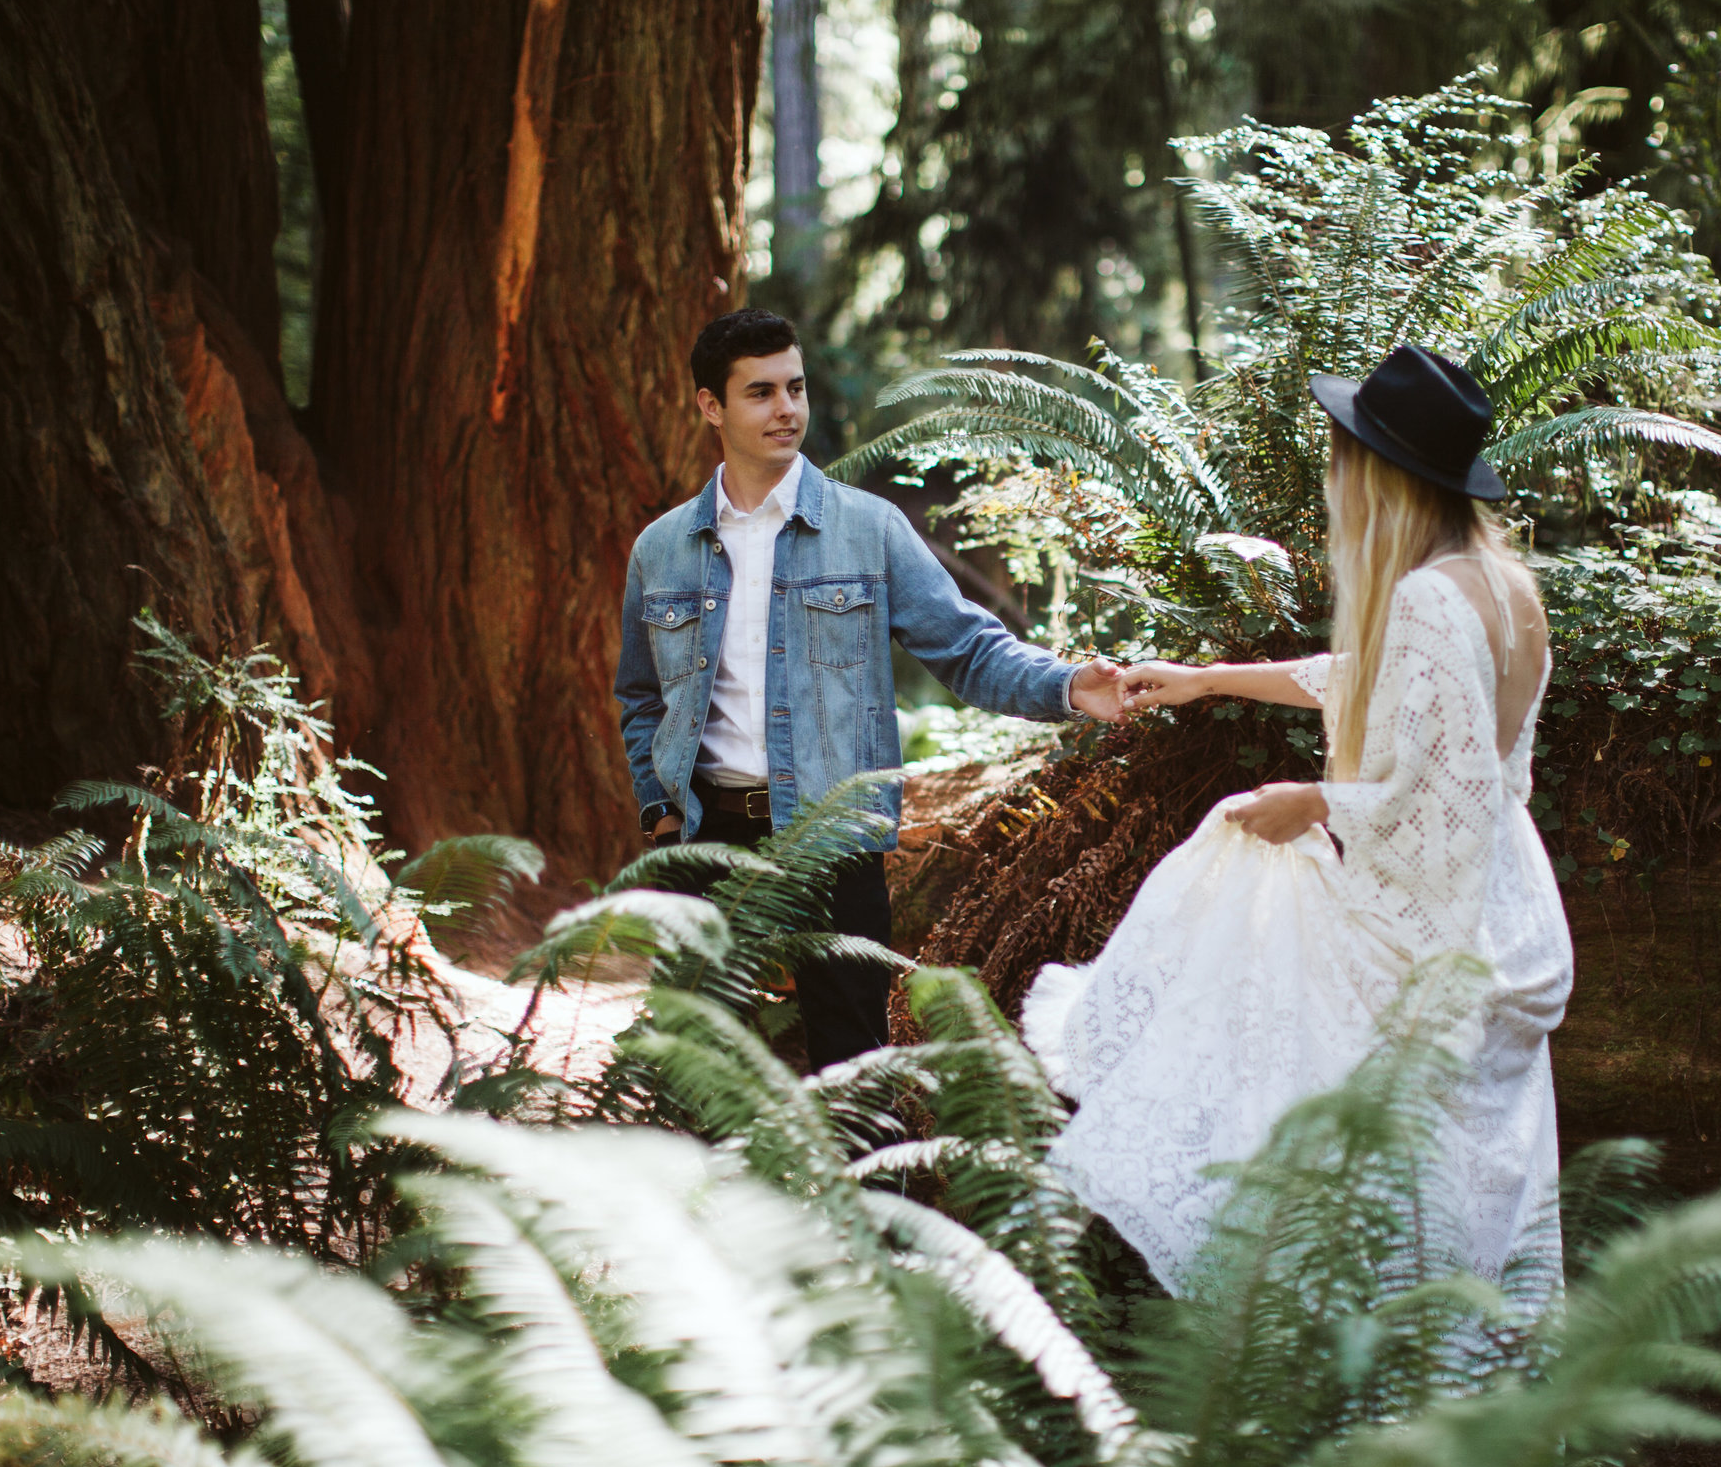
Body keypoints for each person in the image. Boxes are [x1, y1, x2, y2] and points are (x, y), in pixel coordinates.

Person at [1022, 344, 1576, 1294]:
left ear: (1380, 475)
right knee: (1472, 1179)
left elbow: (1438, 795)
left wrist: (1314, 801)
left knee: (1243, 903)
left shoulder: (1429, 597)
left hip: (1444, 911)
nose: (1334, 474)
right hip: (1509, 894)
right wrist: (1208, 680)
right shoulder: (1502, 583)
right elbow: (1385, 692)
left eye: (1342, 454)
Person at [617, 309, 1126, 1067]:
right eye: (759, 392)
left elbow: (966, 647)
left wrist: (1068, 683)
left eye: (795, 387)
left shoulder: (869, 528)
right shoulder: (661, 549)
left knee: (852, 1066)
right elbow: (641, 696)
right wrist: (660, 814)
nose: (787, 408)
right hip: (708, 838)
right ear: (710, 406)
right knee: (700, 1065)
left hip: (832, 837)